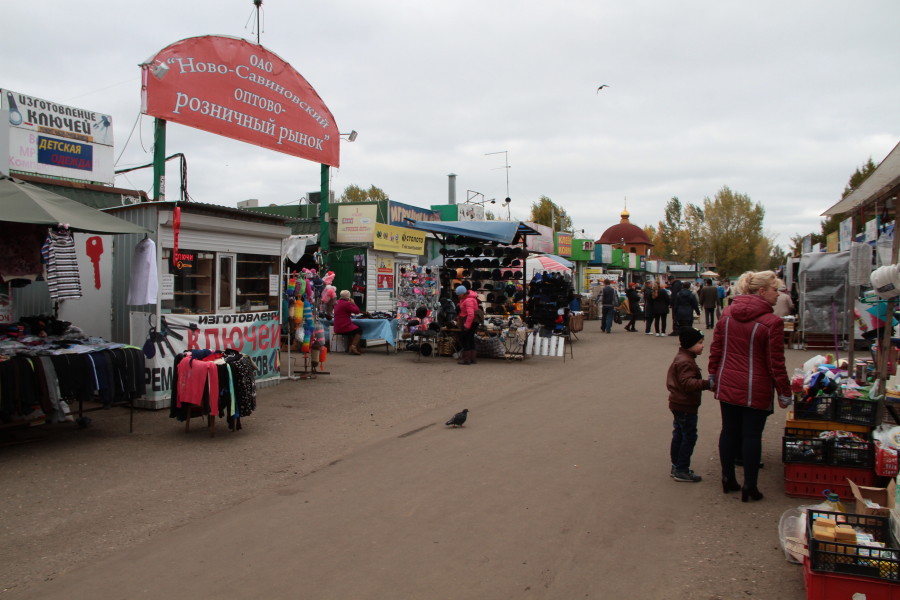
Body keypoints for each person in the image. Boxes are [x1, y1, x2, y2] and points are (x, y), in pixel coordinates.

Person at [708, 270, 792, 502]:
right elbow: (776, 364)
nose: (779, 295)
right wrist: (785, 392)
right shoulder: (771, 322)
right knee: (752, 436)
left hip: (728, 383)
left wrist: (713, 373)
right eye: (776, 290)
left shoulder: (727, 315)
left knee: (729, 431)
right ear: (763, 291)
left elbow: (716, 348)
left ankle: (728, 478)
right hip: (756, 386)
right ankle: (750, 486)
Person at [667, 327, 711, 482]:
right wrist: (707, 384)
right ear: (689, 344)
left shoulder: (683, 358)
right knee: (689, 436)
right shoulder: (686, 362)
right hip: (685, 404)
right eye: (699, 343)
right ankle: (681, 469)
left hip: (678, 403)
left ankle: (676, 465)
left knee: (679, 434)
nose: (702, 346)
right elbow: (688, 383)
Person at [334, 290, 363, 355]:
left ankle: (353, 347)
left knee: (353, 329)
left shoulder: (337, 302)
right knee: (359, 330)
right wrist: (353, 303)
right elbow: (357, 311)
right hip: (344, 327)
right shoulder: (347, 304)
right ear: (348, 297)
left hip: (337, 327)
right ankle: (353, 346)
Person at [455, 284, 479, 365]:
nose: (458, 296)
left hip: (470, 321)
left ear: (462, 293)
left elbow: (471, 314)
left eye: (459, 294)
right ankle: (472, 358)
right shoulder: (467, 298)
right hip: (473, 321)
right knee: (470, 338)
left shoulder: (468, 300)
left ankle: (466, 359)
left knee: (464, 338)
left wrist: (466, 326)